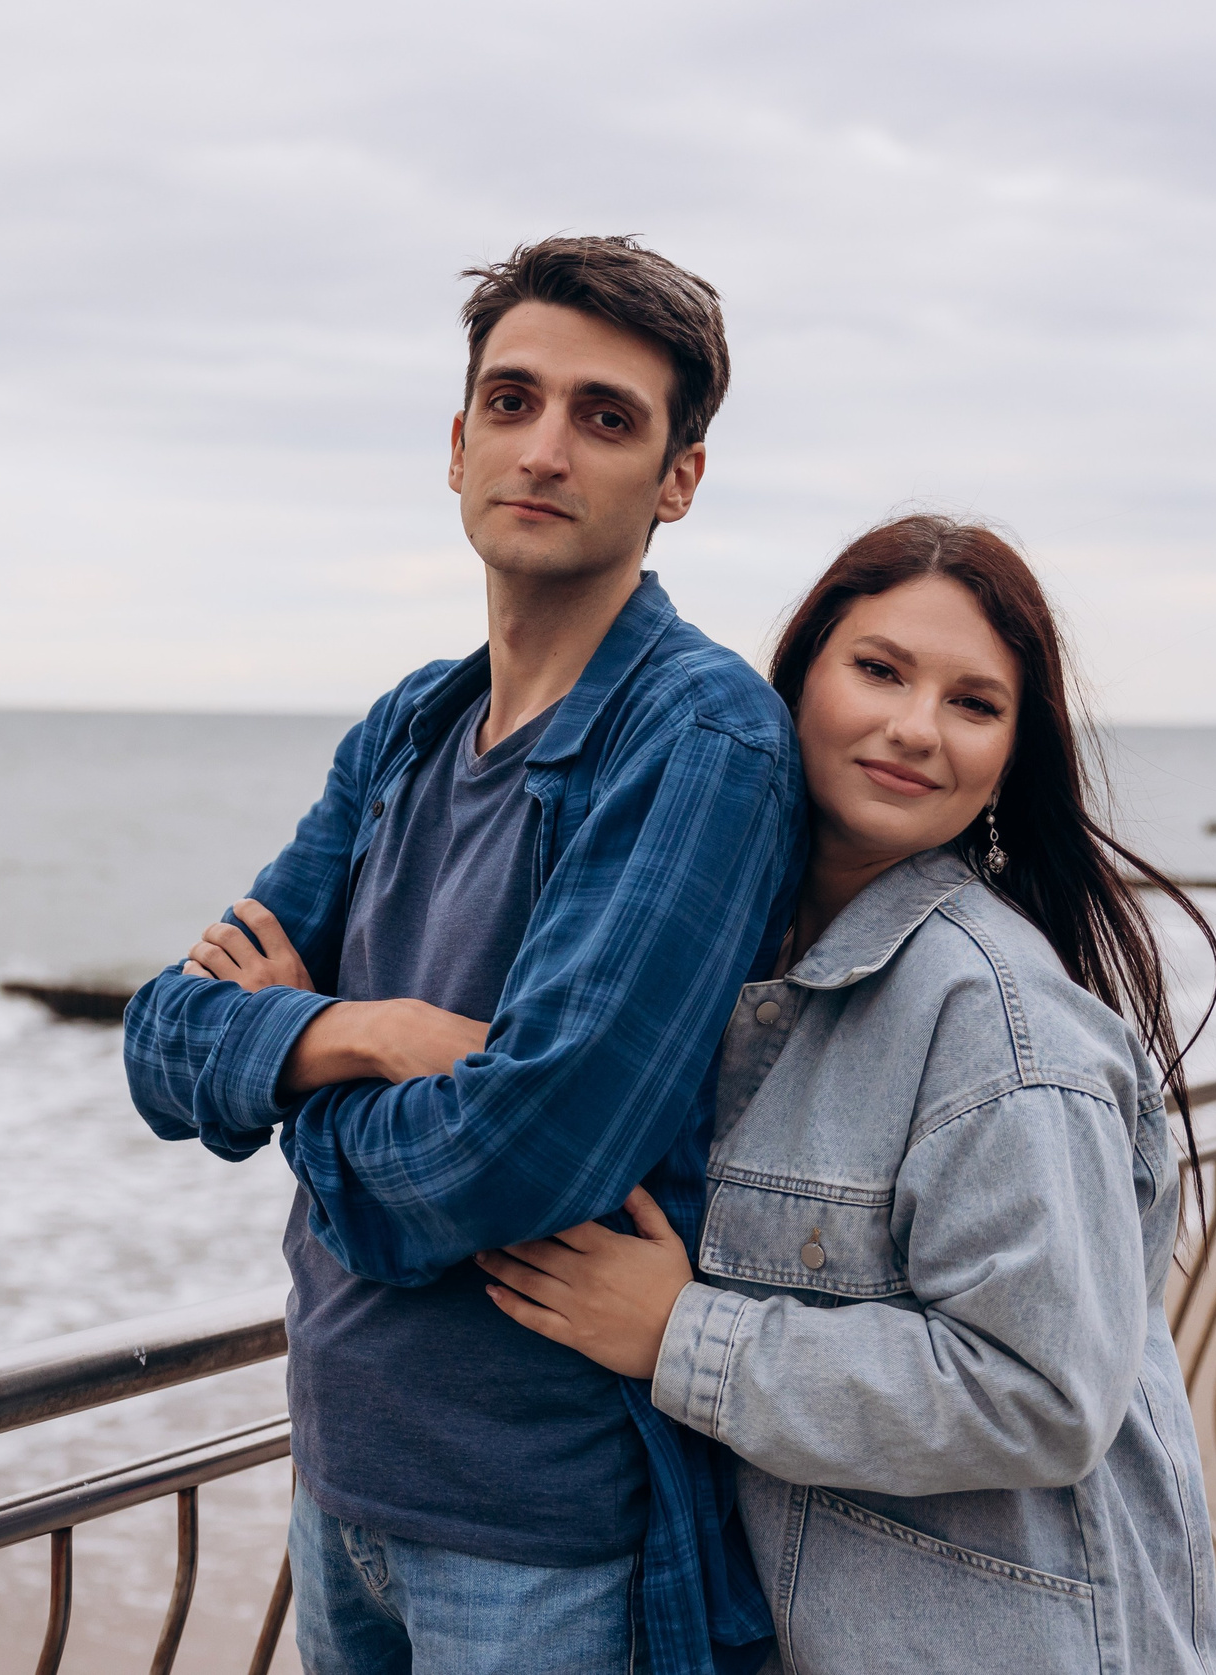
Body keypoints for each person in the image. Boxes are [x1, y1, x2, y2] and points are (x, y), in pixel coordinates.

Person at [124, 236, 799, 1675]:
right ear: (456, 441)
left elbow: (526, 1147)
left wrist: (279, 1078)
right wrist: (359, 1032)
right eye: (512, 401)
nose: (545, 447)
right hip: (342, 1473)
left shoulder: (697, 736)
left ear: (678, 477)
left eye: (606, 417)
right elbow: (158, 1039)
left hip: (539, 1528)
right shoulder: (407, 728)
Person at [474, 517, 1216, 1673]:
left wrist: (681, 1334)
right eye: (878, 670)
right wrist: (337, 1022)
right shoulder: (732, 955)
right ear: (799, 684)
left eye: (974, 704)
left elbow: (1040, 1392)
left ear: (1008, 760)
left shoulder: (995, 1016)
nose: (914, 728)